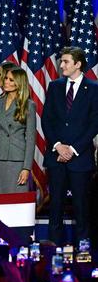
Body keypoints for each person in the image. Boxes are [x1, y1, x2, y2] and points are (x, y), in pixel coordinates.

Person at [42, 46, 98, 245]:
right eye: (61, 61)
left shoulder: (93, 88)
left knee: (82, 209)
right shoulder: (55, 86)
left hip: (80, 159)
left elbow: (94, 124)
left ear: (78, 64)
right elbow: (47, 120)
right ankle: (53, 255)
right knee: (55, 208)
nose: (61, 65)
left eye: (65, 61)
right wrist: (58, 146)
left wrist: (72, 150)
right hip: (56, 158)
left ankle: (83, 255)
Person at [0, 67, 36, 194]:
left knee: (16, 200)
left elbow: (31, 139)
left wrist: (26, 168)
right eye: (6, 78)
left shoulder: (29, 105)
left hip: (16, 160)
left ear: (19, 82)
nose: (6, 82)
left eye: (11, 80)